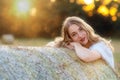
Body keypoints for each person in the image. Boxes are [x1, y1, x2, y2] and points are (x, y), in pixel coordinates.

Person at [46, 16, 114, 69]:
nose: (80, 36)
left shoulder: (101, 45)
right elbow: (50, 45)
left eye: (81, 29)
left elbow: (87, 56)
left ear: (85, 27)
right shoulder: (79, 49)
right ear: (70, 38)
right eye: (74, 34)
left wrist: (76, 45)